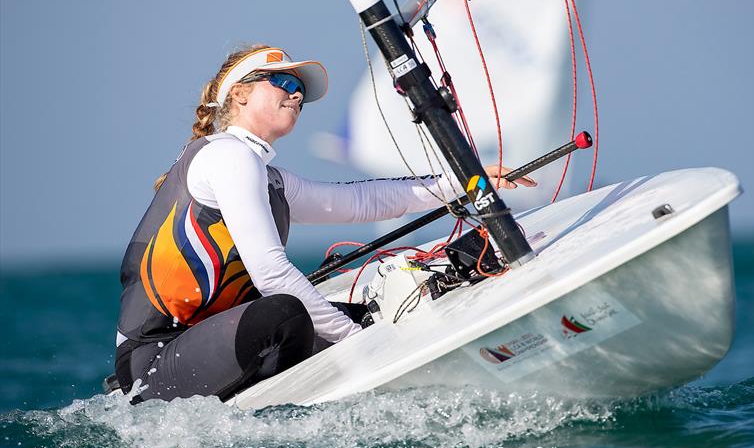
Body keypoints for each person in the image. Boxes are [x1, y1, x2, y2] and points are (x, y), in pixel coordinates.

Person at [112, 45, 535, 403]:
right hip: (154, 360)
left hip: (210, 340)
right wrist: (359, 343)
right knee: (287, 314)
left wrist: (461, 183)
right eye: (284, 84)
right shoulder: (228, 157)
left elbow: (357, 201)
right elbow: (270, 272)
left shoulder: (267, 176)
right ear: (239, 94)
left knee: (375, 312)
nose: (297, 96)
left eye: (300, 91)